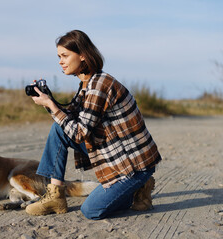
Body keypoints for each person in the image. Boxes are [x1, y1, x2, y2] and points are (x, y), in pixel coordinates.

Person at [25, 30, 161, 220]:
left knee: (91, 211)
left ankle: (138, 187)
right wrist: (49, 100)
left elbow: (79, 133)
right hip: (114, 151)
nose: (60, 61)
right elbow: (68, 120)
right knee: (59, 129)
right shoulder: (87, 84)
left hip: (133, 165)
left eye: (65, 56)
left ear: (82, 55)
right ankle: (55, 195)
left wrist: (51, 105)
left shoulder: (99, 86)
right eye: (59, 57)